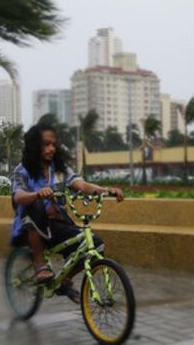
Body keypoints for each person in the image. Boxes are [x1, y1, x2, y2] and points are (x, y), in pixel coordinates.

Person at [10, 123, 125, 303]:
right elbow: (18, 196)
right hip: (30, 228)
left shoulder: (60, 170)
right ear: (34, 145)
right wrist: (37, 194)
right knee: (36, 206)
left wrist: (107, 191)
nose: (51, 149)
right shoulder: (22, 170)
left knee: (94, 244)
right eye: (46, 144)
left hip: (58, 225)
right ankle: (39, 264)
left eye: (53, 144)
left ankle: (64, 281)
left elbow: (82, 185)